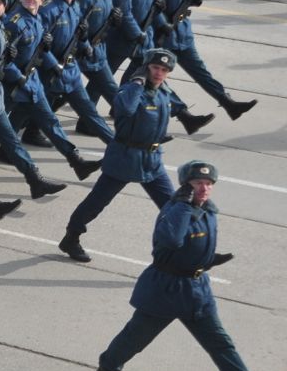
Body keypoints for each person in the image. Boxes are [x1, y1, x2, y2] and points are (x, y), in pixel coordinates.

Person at [86, 160, 285, 371]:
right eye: (197, 183)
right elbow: (171, 241)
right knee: (134, 339)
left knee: (221, 345)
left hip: (197, 291)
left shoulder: (208, 211)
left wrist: (208, 259)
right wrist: (182, 206)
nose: (204, 188)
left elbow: (192, 244)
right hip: (165, 290)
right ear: (185, 186)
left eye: (208, 183)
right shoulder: (174, 210)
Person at [60, 49, 212, 264]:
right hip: (124, 158)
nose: (159, 73)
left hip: (152, 160)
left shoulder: (163, 91)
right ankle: (71, 237)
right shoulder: (132, 90)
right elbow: (124, 108)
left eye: (164, 70)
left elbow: (175, 106)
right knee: (96, 203)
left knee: (174, 205)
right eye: (155, 68)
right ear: (146, 68)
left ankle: (189, 250)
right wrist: (137, 82)